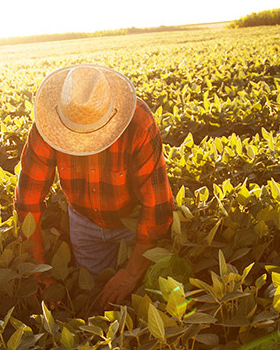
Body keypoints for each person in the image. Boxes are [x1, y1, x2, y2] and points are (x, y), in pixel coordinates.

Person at [14, 64, 174, 309]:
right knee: (97, 299)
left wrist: (131, 274)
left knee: (139, 297)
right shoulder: (47, 126)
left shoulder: (138, 122)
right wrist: (39, 272)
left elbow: (156, 209)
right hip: (83, 221)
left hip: (133, 220)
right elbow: (28, 201)